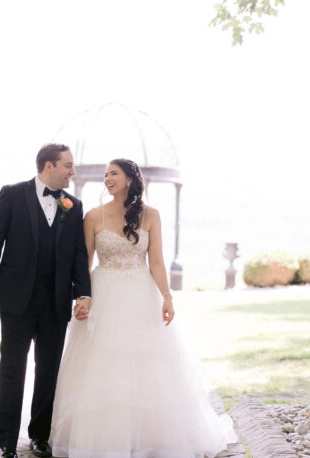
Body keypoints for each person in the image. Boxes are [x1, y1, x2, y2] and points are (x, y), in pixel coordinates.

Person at [50, 158, 238, 457]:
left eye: (114, 173)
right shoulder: (93, 216)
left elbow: (158, 262)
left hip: (141, 295)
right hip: (103, 293)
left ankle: (146, 437)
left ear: (129, 179)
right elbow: (84, 262)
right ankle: (103, 438)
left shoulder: (151, 215)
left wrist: (167, 296)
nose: (107, 178)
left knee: (147, 363)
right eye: (105, 174)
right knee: (100, 363)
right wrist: (81, 297)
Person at [0, 143, 92, 458]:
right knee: (12, 369)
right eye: (68, 165)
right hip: (15, 299)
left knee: (48, 371)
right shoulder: (12, 195)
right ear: (48, 166)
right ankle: (7, 442)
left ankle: (39, 436)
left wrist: (83, 292)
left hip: (56, 302)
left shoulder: (73, 205)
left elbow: (79, 254)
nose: (73, 171)